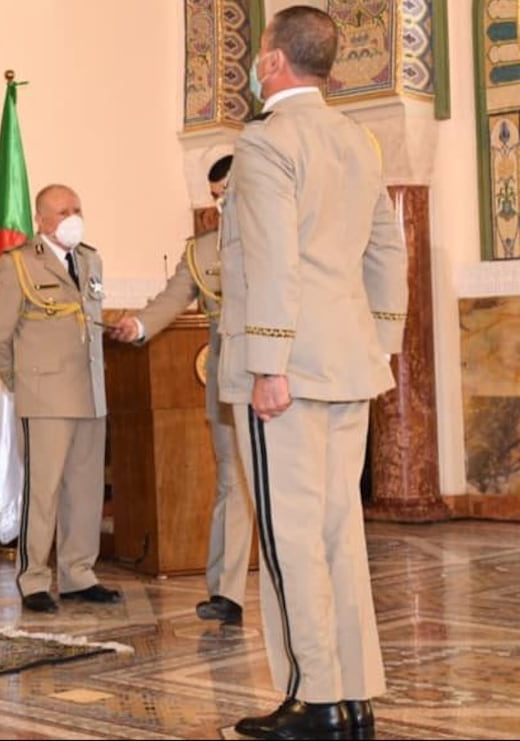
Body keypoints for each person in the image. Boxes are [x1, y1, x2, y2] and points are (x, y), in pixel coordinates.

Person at [217, 7, 408, 739]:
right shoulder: (357, 138)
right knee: (336, 531)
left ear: (273, 62)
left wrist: (267, 361)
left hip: (287, 374)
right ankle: (355, 693)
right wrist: (379, 340)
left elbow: (271, 261)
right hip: (347, 364)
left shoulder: (267, 142)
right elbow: (387, 251)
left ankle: (316, 698)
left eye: (261, 53)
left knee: (289, 536)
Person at [108, 155, 252, 627]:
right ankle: (227, 593)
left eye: (229, 190)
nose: (222, 202)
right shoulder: (203, 251)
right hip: (230, 385)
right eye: (216, 196)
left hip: (287, 379)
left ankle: (296, 584)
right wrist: (138, 324)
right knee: (233, 483)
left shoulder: (285, 237)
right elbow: (174, 296)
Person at [0, 184, 122, 614]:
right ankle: (34, 578)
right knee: (42, 494)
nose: (72, 216)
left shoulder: (90, 259)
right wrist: (20, 380)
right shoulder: (19, 264)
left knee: (85, 491)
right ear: (41, 221)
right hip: (44, 398)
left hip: (90, 394)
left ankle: (79, 574)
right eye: (62, 211)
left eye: (77, 209)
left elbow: (90, 322)